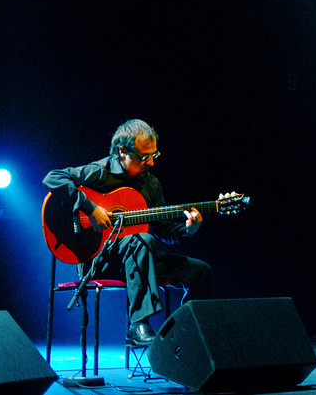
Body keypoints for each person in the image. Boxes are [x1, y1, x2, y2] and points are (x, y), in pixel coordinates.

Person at [43, 119, 214, 345]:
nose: (151, 162)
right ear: (122, 151)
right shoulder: (101, 172)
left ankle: (188, 337)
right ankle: (139, 325)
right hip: (97, 259)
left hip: (139, 261)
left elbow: (164, 231)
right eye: (144, 157)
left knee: (200, 271)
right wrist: (91, 208)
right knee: (143, 240)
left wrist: (189, 229)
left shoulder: (151, 185)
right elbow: (53, 177)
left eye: (154, 155)